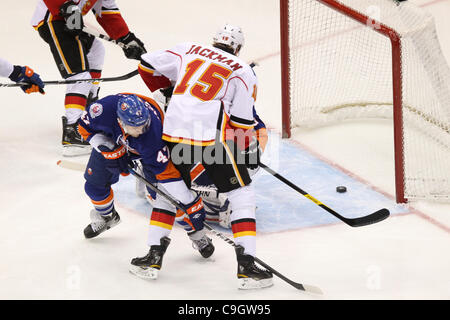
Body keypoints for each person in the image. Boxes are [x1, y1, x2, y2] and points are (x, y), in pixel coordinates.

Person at [137, 24, 273, 289]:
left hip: (172, 135)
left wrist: (166, 90)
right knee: (242, 194)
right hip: (210, 142)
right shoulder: (243, 70)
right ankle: (247, 267)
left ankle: (152, 258)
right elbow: (243, 122)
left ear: (214, 41)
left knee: (168, 193)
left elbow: (146, 65)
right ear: (238, 48)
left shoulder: (188, 49)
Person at [77, 93, 215, 276]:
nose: (142, 129)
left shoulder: (153, 137)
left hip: (146, 153)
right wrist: (108, 149)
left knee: (168, 199)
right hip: (114, 141)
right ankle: (107, 217)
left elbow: (169, 177)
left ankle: (198, 236)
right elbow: (83, 128)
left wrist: (191, 203)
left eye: (144, 124)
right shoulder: (103, 110)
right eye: (136, 127)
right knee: (93, 186)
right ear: (120, 121)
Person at [32, 0, 147, 156]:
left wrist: (126, 38)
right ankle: (73, 130)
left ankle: (88, 113)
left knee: (96, 50)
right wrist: (66, 6)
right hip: (53, 19)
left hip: (71, 19)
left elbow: (106, 11)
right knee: (80, 76)